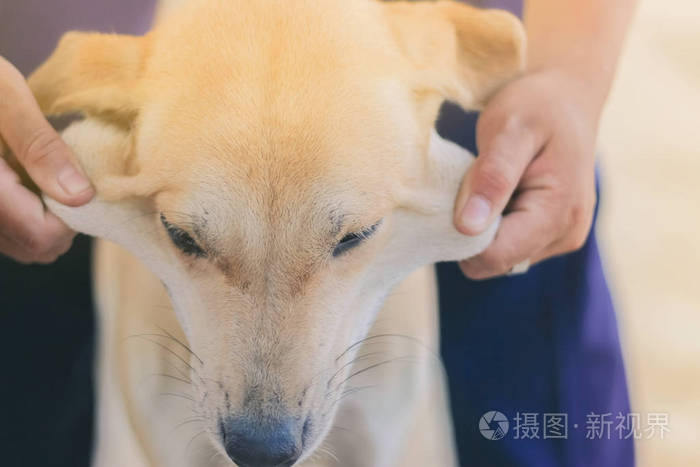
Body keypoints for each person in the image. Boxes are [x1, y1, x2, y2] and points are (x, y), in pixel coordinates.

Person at [0, 0, 636, 466]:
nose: (265, 426)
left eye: (349, 236)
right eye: (193, 237)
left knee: (536, 416)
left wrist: (571, 81)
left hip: (480, 121)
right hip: (35, 128)